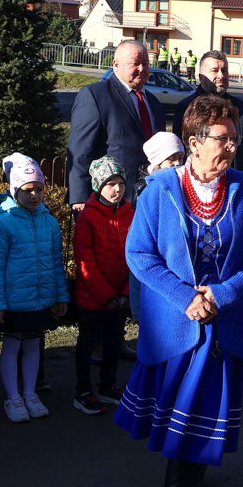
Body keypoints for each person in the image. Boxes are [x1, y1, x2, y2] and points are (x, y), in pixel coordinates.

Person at [115, 95, 243, 487]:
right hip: (175, 325)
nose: (232, 147)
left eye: (234, 138)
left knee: (203, 409)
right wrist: (185, 297)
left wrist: (222, 293)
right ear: (195, 140)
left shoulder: (242, 190)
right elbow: (140, 255)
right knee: (184, 410)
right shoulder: (160, 191)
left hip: (223, 323)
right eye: (223, 138)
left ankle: (184, 485)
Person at [0, 156, 69, 423]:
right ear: (15, 190)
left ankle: (30, 393)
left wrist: (61, 294)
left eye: (39, 189)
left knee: (34, 345)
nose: (34, 195)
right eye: (27, 190)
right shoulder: (2, 223)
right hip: (13, 301)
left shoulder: (50, 222)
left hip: (40, 299)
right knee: (11, 346)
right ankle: (12, 396)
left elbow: (56, 263)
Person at [67, 39, 166, 208]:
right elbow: (80, 150)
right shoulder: (95, 95)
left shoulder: (154, 103)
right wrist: (79, 197)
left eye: (145, 63)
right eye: (135, 63)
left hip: (149, 199)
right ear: (116, 64)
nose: (142, 69)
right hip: (110, 200)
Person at [72, 156, 134, 416]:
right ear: (98, 186)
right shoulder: (88, 217)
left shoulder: (130, 212)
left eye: (120, 182)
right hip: (92, 296)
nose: (117, 189)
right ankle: (83, 390)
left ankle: (108, 384)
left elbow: (136, 254)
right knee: (87, 343)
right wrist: (107, 295)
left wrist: (124, 293)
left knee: (113, 342)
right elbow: (85, 261)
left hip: (120, 294)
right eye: (110, 183)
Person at [172, 50, 243, 186]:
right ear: (201, 77)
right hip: (198, 189)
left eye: (225, 70)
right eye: (214, 70)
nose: (221, 75)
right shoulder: (186, 108)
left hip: (236, 189)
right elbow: (180, 153)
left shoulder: (241, 108)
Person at [129, 132, 186, 326]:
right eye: (172, 160)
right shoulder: (147, 189)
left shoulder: (180, 183)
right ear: (157, 162)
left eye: (181, 158)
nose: (178, 164)